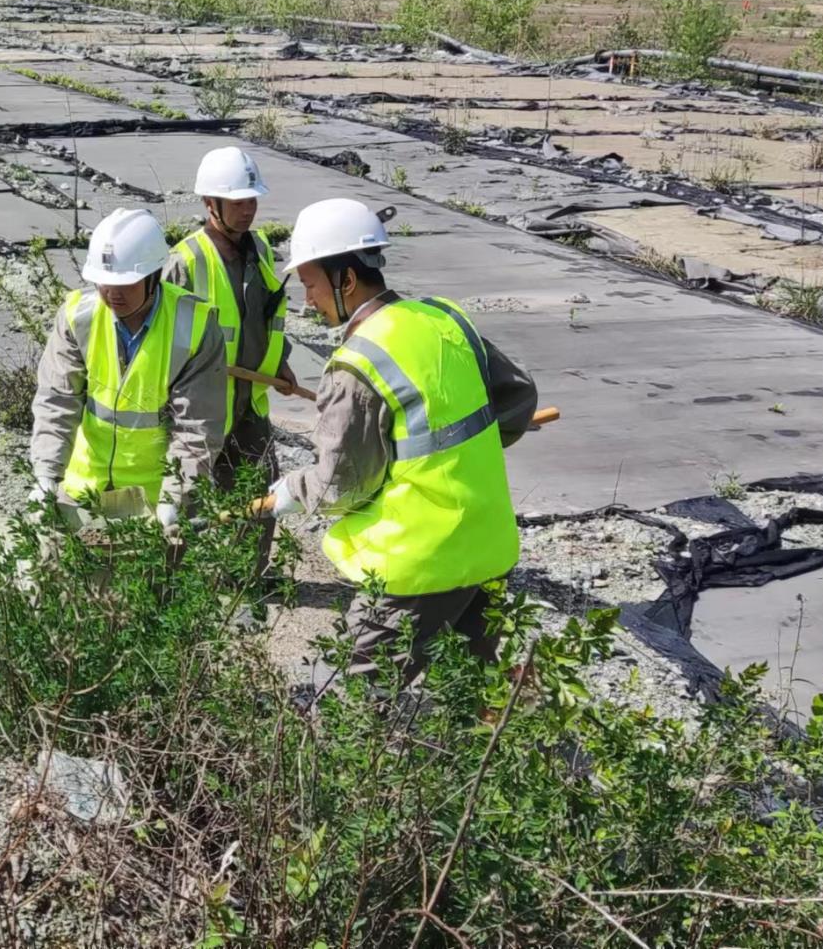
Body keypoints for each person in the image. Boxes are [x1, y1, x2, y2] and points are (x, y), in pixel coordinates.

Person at [264, 198, 538, 681]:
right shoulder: (443, 319)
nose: (308, 300)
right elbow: (516, 402)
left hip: (420, 563)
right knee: (469, 690)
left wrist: (292, 491)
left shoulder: (356, 364)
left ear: (345, 279)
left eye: (309, 284)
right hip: (488, 546)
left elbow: (340, 485)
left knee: (353, 699)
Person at [30, 207, 226, 529]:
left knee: (153, 579)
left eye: (126, 283)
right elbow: (57, 401)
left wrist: (174, 496)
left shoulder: (194, 327)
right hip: (84, 488)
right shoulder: (78, 317)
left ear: (154, 275)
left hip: (154, 499)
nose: (112, 293)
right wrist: (46, 476)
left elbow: (196, 427)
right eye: (104, 282)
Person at [161, 146, 291, 576]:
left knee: (260, 490)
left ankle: (243, 577)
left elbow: (266, 319)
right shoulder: (186, 261)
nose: (247, 210)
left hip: (249, 400)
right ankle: (169, 583)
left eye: (251, 200)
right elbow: (168, 343)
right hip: (201, 406)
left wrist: (281, 361)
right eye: (237, 202)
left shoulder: (262, 252)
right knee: (185, 492)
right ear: (209, 204)